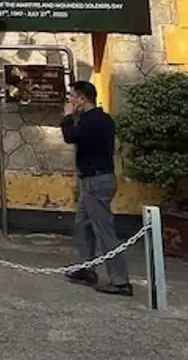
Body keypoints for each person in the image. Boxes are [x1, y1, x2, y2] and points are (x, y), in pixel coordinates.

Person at [61, 80, 131, 296]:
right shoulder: (99, 119)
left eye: (71, 96)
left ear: (81, 99)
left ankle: (120, 281)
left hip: (96, 181)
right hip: (94, 180)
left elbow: (70, 136)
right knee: (83, 224)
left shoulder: (92, 121)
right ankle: (85, 267)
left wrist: (66, 117)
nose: (69, 100)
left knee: (104, 231)